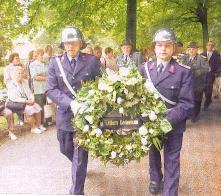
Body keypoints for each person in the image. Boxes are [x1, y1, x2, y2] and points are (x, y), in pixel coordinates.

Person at [46, 26, 101, 195]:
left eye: (74, 43)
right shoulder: (55, 62)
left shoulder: (91, 61)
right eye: (67, 43)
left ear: (80, 43)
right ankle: (79, 165)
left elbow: (101, 85)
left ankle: (76, 191)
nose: (70, 46)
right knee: (65, 149)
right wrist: (70, 103)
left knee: (80, 156)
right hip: (65, 114)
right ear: (63, 45)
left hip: (85, 116)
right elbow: (51, 89)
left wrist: (91, 103)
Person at [139, 28, 194, 196]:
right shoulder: (144, 69)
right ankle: (155, 178)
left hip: (173, 125)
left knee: (172, 160)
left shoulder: (184, 71)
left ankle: (170, 192)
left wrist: (164, 121)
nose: (163, 49)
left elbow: (187, 103)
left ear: (174, 48)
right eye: (159, 45)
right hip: (149, 122)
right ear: (154, 48)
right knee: (153, 153)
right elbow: (137, 97)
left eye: (168, 46)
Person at [7, 66, 44, 134]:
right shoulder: (11, 84)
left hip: (27, 101)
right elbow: (14, 98)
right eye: (18, 73)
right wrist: (26, 101)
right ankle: (33, 128)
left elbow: (29, 92)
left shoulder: (25, 81)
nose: (20, 75)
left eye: (22, 73)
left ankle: (38, 126)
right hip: (16, 103)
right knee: (29, 109)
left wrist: (32, 99)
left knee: (37, 107)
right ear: (14, 74)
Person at [182, 42, 209, 122]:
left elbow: (206, 69)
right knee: (187, 99)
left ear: (197, 49)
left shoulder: (202, 58)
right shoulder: (184, 58)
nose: (191, 51)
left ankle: (195, 115)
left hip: (198, 83)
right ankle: (189, 114)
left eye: (193, 49)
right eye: (189, 49)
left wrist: (195, 72)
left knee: (197, 100)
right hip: (187, 83)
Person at [29, 49, 47, 131]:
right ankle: (40, 124)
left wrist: (42, 75)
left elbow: (48, 73)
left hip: (46, 87)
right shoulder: (33, 65)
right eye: (41, 55)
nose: (42, 56)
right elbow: (35, 77)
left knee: (45, 105)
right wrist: (46, 77)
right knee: (40, 106)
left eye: (43, 55)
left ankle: (44, 122)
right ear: (37, 55)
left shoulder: (45, 64)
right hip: (38, 89)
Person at [201, 41, 221, 110]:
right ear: (206, 46)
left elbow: (218, 65)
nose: (210, 46)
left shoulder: (217, 55)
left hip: (211, 74)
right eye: (208, 45)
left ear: (213, 47)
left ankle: (207, 102)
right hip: (202, 75)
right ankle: (208, 100)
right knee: (203, 88)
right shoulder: (201, 54)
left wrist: (213, 70)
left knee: (209, 89)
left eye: (211, 45)